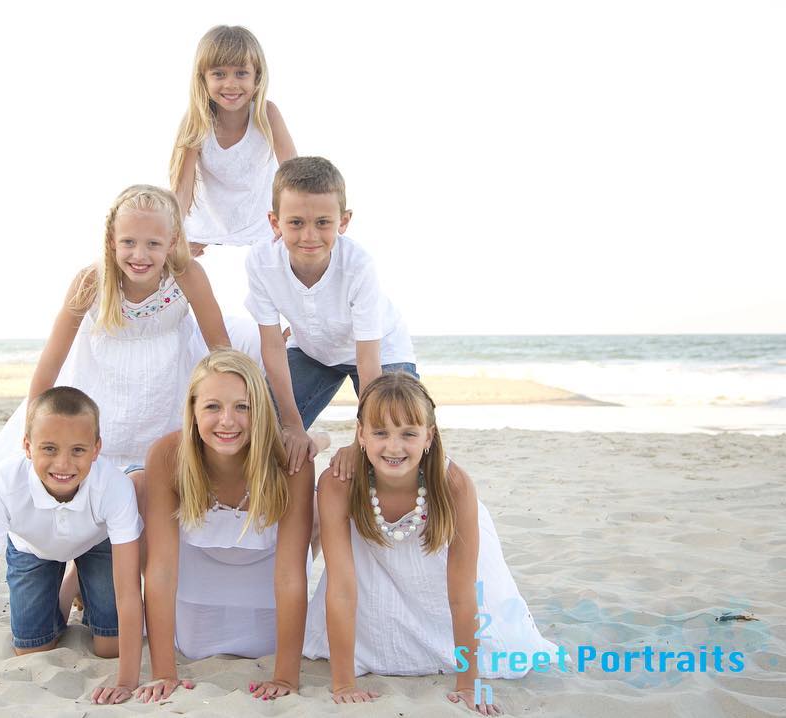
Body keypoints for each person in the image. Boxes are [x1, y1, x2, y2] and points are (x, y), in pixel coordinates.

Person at [304, 373, 557, 712]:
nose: (394, 447)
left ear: (429, 437)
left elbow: (462, 593)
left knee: (499, 643)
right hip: (375, 569)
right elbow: (342, 589)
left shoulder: (454, 485)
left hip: (441, 569)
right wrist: (344, 683)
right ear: (360, 434)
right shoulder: (339, 484)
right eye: (380, 433)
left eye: (409, 434)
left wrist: (467, 686)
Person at [0, 184, 256, 471]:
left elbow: (221, 351)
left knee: (155, 486)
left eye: (153, 244)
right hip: (102, 404)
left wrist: (234, 409)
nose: (139, 255)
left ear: (172, 240)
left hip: (164, 406)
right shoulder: (91, 282)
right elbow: (51, 364)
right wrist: (34, 426)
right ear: (112, 240)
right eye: (129, 242)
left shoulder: (187, 276)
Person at [136, 349, 313, 703]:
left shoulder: (288, 460)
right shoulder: (167, 455)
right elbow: (161, 570)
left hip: (270, 617)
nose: (227, 421)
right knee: (135, 486)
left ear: (259, 409)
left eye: (242, 407)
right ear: (193, 410)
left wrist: (285, 676)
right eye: (213, 407)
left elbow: (291, 575)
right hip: (195, 619)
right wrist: (164, 672)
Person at [0, 387, 143, 705]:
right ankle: (71, 581)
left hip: (95, 543)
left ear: (97, 449)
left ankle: (77, 571)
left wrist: (126, 682)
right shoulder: (1, 486)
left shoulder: (114, 486)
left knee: (110, 647)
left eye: (78, 451)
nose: (63, 463)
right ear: (27, 447)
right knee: (32, 647)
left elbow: (128, 592)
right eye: (49, 448)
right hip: (33, 548)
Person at [244, 156, 417, 474]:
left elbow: (367, 360)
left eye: (322, 222)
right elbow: (272, 345)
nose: (309, 236)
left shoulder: (357, 266)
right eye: (296, 222)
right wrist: (293, 425)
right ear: (274, 222)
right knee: (260, 433)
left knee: (393, 440)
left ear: (343, 221)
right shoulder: (261, 263)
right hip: (312, 351)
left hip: (378, 355)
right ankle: (315, 439)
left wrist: (360, 440)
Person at [170, 25, 297, 319]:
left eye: (241, 73)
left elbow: (292, 174)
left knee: (285, 278)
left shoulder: (267, 114)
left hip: (258, 221)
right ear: (203, 79)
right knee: (170, 267)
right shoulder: (196, 120)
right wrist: (172, 234)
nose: (231, 84)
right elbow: (182, 188)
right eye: (219, 74)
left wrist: (291, 224)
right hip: (206, 223)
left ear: (257, 77)